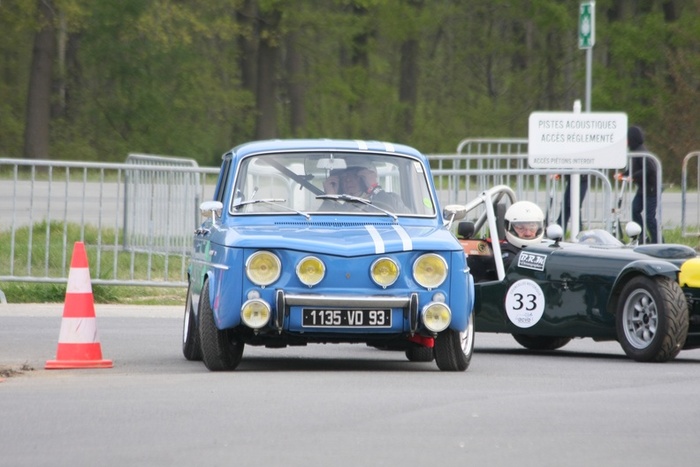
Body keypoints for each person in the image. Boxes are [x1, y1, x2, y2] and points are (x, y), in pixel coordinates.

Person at [616, 126, 659, 243]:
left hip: (651, 189)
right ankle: (642, 237)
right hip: (642, 188)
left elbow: (650, 168)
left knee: (649, 217)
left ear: (632, 138)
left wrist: (633, 176)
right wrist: (623, 174)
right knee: (635, 210)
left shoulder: (642, 152)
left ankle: (658, 240)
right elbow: (633, 169)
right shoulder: (635, 151)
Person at [320, 163, 407, 212]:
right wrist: (330, 198)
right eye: (343, 177)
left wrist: (375, 188)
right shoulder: (337, 207)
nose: (348, 180)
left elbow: (406, 217)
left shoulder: (390, 198)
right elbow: (320, 226)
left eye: (354, 175)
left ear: (366, 178)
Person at [501, 200, 545, 268]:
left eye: (532, 226)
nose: (528, 233)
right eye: (520, 228)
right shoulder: (505, 253)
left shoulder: (545, 246)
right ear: (509, 227)